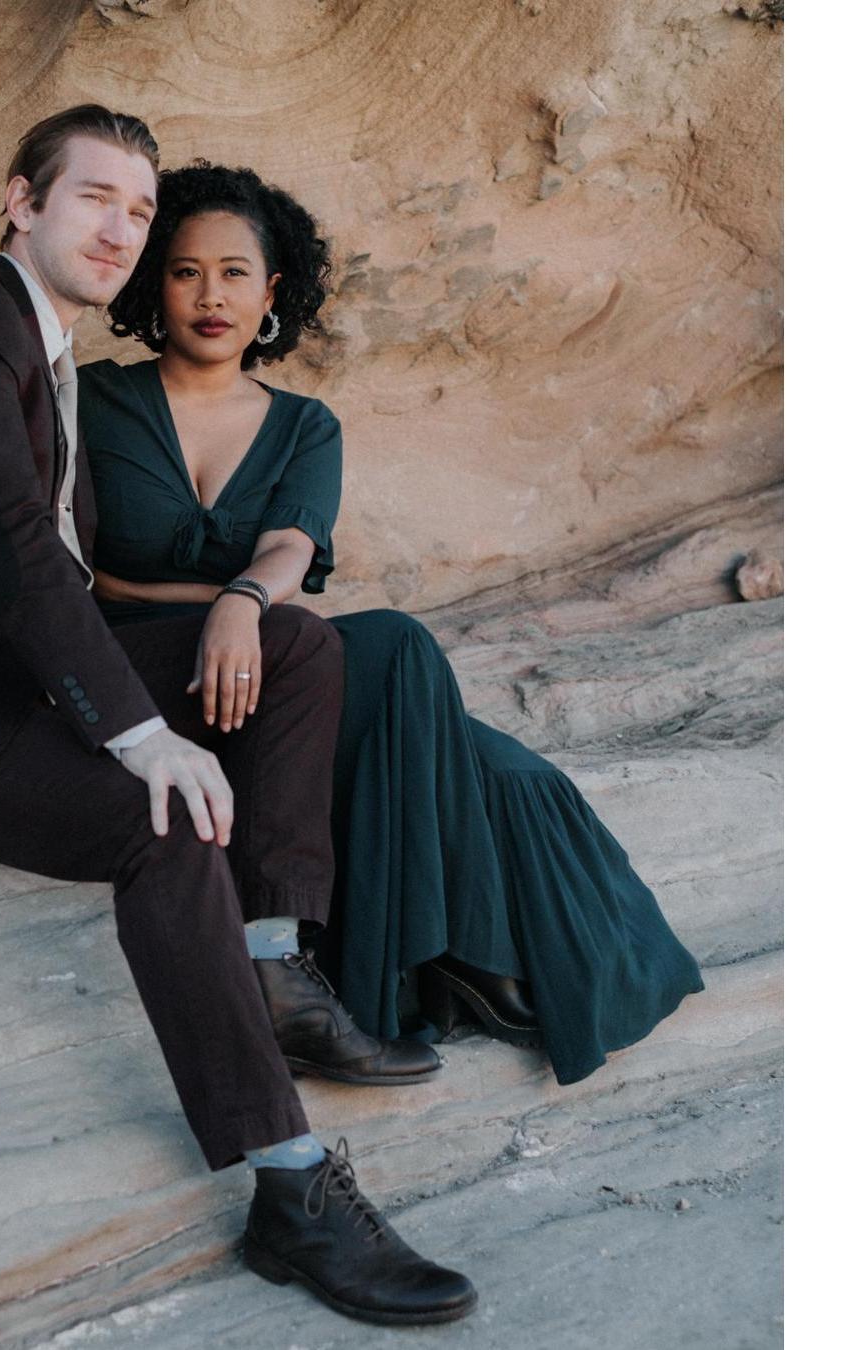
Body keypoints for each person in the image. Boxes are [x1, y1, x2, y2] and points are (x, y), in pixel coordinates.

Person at [0, 106, 477, 1327]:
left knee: (301, 642)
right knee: (163, 826)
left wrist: (230, 609)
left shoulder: (38, 344)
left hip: (13, 676)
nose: (120, 229)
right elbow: (10, 546)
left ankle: (271, 966)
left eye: (139, 209)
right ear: (22, 200)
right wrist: (136, 729)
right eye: (93, 197)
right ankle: (291, 1185)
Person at [77, 161, 706, 1091]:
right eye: (185, 271)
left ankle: (443, 958)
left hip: (260, 662)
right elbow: (82, 568)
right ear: (151, 283)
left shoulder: (304, 426)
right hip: (137, 670)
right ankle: (413, 974)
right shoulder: (95, 400)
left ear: (272, 292)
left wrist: (243, 602)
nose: (211, 295)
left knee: (496, 759)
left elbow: (292, 544)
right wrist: (223, 611)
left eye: (235, 273)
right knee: (401, 670)